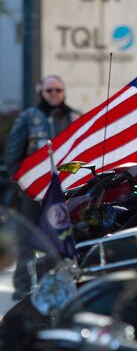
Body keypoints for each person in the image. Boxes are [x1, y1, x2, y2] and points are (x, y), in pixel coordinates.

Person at [3, 75, 80, 299]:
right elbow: (12, 154)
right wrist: (22, 182)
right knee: (29, 238)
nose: (54, 94)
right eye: (49, 90)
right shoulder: (29, 117)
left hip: (66, 190)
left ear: (64, 92)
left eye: (58, 90)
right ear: (42, 93)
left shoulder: (74, 117)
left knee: (65, 238)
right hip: (34, 192)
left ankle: (60, 288)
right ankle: (23, 289)